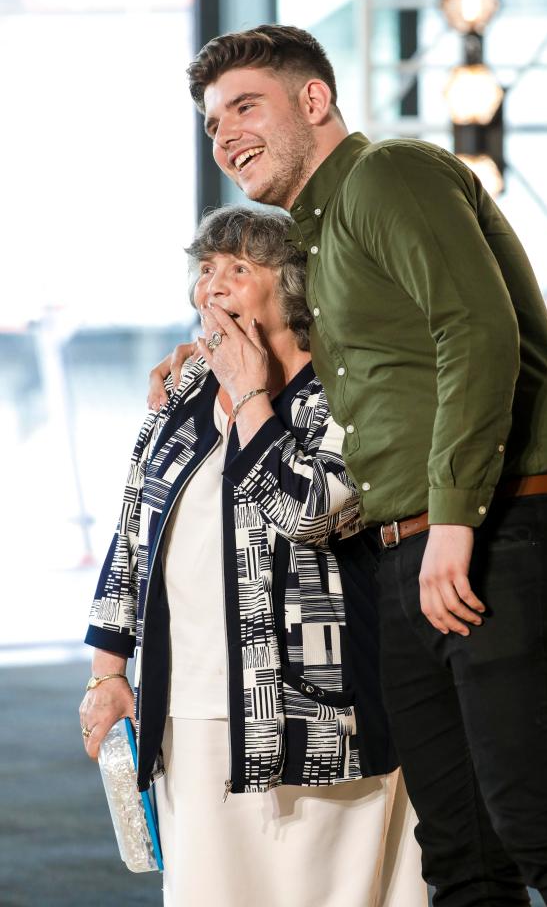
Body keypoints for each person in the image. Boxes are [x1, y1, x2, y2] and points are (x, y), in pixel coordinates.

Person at [149, 23, 547, 906]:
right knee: (457, 853)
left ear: (314, 100)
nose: (223, 136)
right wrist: (196, 365)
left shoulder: (389, 175)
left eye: (244, 107)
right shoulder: (317, 241)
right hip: (410, 548)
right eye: (213, 122)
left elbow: (475, 331)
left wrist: (454, 523)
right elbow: (333, 371)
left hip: (506, 526)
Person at [79, 206, 427, 907]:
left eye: (240, 267)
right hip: (187, 711)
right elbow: (131, 534)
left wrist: (250, 396)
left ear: (291, 284)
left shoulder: (346, 393)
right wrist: (107, 673)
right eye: (206, 268)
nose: (215, 284)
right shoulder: (181, 391)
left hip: (317, 713)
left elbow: (308, 513)